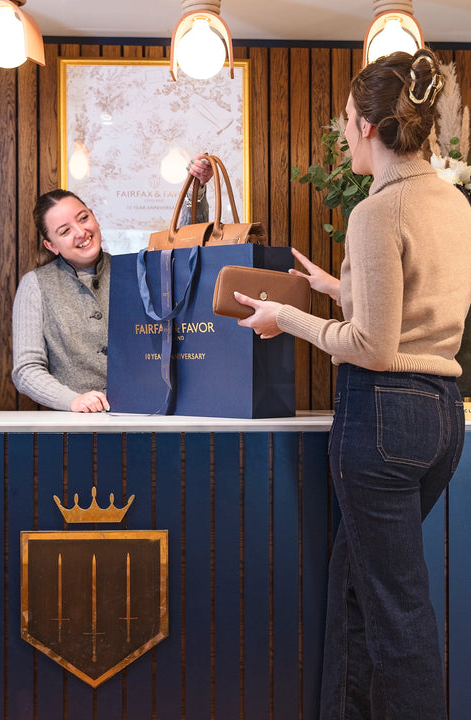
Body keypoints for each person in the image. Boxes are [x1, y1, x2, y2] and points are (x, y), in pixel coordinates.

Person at [234, 49, 471, 719]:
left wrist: (286, 317)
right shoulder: (453, 202)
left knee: (396, 609)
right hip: (440, 417)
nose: (343, 133)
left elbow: (373, 346)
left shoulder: (378, 211)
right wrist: (336, 287)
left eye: (345, 119)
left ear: (368, 126)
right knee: (356, 588)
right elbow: (419, 306)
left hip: (383, 416)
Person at [12, 153, 213, 412]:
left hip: (147, 414)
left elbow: (184, 250)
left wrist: (196, 192)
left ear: (94, 216)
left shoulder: (134, 270)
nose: (80, 232)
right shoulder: (35, 285)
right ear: (51, 246)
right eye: (65, 231)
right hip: (78, 425)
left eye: (83, 218)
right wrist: (72, 400)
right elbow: (27, 370)